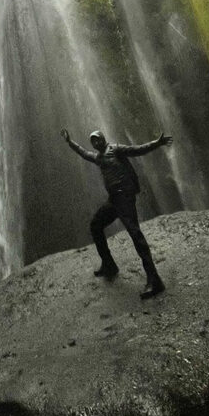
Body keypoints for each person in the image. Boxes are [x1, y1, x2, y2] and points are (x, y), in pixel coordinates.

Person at [61, 127, 172, 299]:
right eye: (93, 141)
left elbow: (137, 150)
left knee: (136, 235)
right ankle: (109, 264)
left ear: (104, 139)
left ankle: (155, 280)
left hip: (125, 199)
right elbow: (83, 153)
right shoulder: (98, 158)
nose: (96, 143)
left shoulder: (116, 149)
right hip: (113, 200)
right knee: (95, 225)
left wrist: (157, 143)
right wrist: (69, 142)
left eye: (98, 139)